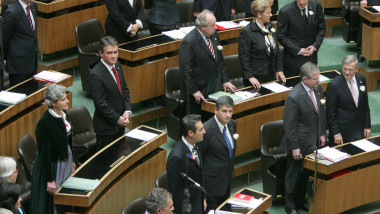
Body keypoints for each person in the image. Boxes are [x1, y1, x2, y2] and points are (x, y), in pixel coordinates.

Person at [280, 62, 326, 214]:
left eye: (318, 77)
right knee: (293, 176)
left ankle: (300, 200)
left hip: (312, 142)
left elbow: (320, 113)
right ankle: (290, 206)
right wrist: (295, 147)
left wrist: (321, 134)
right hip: (298, 143)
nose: (318, 81)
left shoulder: (318, 89)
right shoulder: (294, 97)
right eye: (315, 78)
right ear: (305, 80)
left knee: (306, 174)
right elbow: (289, 125)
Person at [29, 84, 75, 214]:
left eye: (66, 98)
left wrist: (72, 160)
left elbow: (69, 140)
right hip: (53, 165)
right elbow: (44, 154)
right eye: (63, 100)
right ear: (53, 103)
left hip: (65, 158)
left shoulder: (63, 114)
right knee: (53, 200)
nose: (67, 101)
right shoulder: (44, 123)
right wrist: (50, 179)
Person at [179, 10, 236, 114]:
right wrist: (194, 90)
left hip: (214, 86)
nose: (215, 27)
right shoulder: (189, 41)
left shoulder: (214, 35)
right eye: (212, 25)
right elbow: (186, 70)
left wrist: (225, 80)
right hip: (198, 91)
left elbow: (220, 60)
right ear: (202, 27)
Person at [89, 36, 132, 150]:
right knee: (106, 161)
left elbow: (124, 90)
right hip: (106, 128)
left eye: (116, 52)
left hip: (121, 123)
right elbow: (100, 104)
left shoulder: (117, 65)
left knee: (119, 157)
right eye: (109, 53)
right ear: (101, 53)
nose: (113, 56)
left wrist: (127, 111)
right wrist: (117, 118)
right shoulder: (96, 74)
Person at [198, 96, 237, 210]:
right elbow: (199, 161)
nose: (228, 115)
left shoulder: (232, 124)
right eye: (224, 111)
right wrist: (202, 194)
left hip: (226, 182)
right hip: (211, 186)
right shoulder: (206, 130)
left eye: (230, 111)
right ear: (216, 110)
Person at [238, 0, 285, 88]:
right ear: (259, 14)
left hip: (271, 73)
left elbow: (276, 50)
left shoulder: (270, 26)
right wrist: (250, 76)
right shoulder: (247, 32)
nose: (271, 15)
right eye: (268, 13)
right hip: (256, 78)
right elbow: (244, 58)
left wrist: (279, 69)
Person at [326, 55, 371, 145]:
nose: (346, 72)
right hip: (343, 134)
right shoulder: (334, 85)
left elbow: (365, 105)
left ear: (357, 69)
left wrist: (367, 126)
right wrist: (336, 133)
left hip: (360, 131)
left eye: (350, 70)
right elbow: (331, 113)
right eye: (344, 68)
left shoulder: (361, 79)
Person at [167, 115, 206, 214]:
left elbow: (199, 174)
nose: (204, 131)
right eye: (201, 129)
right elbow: (175, 192)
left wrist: (203, 198)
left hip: (198, 200)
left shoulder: (195, 144)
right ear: (190, 133)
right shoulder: (176, 157)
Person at [277, 0, 326, 78]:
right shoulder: (285, 11)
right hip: (293, 60)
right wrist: (298, 50)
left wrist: (315, 45)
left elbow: (322, 28)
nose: (301, 2)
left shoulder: (316, 6)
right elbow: (281, 35)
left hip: (311, 58)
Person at [3, 0, 38, 87]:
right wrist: (11, 57)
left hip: (32, 60)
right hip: (18, 65)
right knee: (19, 94)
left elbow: (32, 33)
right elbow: (4, 39)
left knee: (32, 93)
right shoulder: (12, 12)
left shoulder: (33, 6)